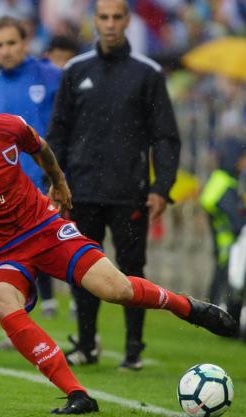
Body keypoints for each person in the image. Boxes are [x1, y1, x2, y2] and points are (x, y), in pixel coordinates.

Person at [0, 75, 237, 414]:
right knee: (2, 304)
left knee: (115, 289)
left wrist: (59, 182)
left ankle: (189, 308)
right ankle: (77, 394)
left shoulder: (7, 127)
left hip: (42, 228)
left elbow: (40, 147)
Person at [47, 0, 182, 370]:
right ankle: (87, 345)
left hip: (129, 191)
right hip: (81, 189)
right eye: (103, 17)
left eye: (116, 17)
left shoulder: (148, 73)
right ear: (95, 22)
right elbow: (57, 132)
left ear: (127, 21)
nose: (109, 24)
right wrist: (54, 180)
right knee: (82, 269)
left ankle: (133, 349)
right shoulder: (75, 70)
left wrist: (161, 187)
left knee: (132, 269)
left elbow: (165, 137)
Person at [0, 15, 63, 331]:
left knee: (70, 256)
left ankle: (86, 337)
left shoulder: (52, 77)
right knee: (14, 266)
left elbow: (67, 127)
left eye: (11, 43)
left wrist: (58, 175)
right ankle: (21, 331)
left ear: (26, 43)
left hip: (52, 184)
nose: (5, 51)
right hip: (10, 192)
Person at [200, 137, 246, 323]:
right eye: (245, 157)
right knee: (224, 281)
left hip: (226, 245)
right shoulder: (224, 182)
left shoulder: (221, 180)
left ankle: (211, 313)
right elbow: (236, 220)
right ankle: (215, 315)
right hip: (229, 245)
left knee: (220, 279)